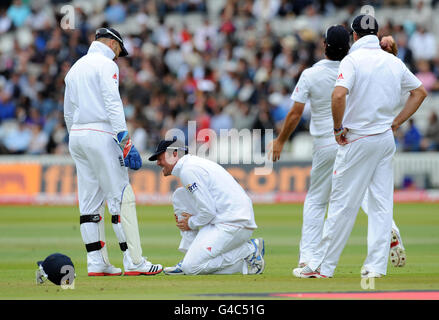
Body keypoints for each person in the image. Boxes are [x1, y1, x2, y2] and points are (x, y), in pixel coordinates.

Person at [293, 15, 427, 278]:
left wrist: (336, 128)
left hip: (358, 139)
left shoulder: (352, 60)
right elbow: (420, 92)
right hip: (384, 139)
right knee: (380, 205)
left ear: (354, 35)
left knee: (342, 204)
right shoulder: (392, 60)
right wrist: (397, 122)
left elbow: (338, 94)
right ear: (375, 34)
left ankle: (322, 266)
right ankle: (375, 269)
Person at [269, 25, 406, 271]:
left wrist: (280, 141)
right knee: (366, 194)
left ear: (324, 45)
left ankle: (309, 258)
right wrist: (391, 51)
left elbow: (294, 115)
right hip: (356, 137)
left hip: (327, 141)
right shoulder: (359, 64)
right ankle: (389, 228)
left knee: (317, 201)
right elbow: (388, 72)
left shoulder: (311, 74)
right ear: (350, 44)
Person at [64, 27, 162, 276]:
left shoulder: (75, 68)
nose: (118, 55)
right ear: (111, 43)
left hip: (77, 134)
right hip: (101, 134)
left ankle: (97, 263)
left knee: (89, 202)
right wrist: (125, 140)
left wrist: (76, 136)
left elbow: (68, 111)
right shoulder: (107, 65)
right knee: (120, 197)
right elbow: (112, 103)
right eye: (119, 49)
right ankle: (134, 261)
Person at [148, 137, 264, 275]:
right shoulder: (191, 164)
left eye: (160, 158)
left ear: (174, 154)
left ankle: (249, 250)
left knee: (191, 268)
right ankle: (190, 256)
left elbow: (208, 211)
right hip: (229, 218)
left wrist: (190, 223)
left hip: (234, 222)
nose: (158, 163)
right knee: (179, 196)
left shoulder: (188, 170)